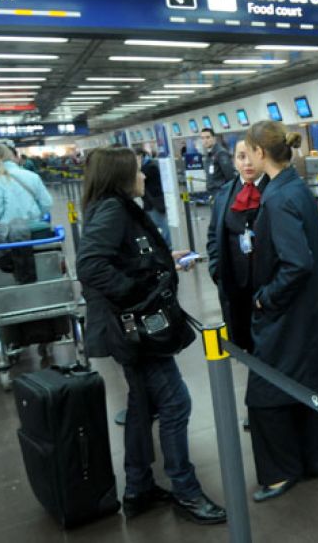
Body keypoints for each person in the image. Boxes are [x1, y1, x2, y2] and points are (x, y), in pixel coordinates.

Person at [76, 147, 227, 525]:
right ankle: (186, 491)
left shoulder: (113, 207)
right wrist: (134, 293)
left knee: (143, 406)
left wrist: (162, 261)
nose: (145, 177)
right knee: (176, 403)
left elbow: (125, 255)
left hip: (126, 328)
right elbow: (91, 265)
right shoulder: (113, 209)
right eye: (138, 172)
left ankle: (139, 487)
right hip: (133, 330)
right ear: (122, 177)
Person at [243, 121, 318, 502]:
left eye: (248, 150)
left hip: (289, 312)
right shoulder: (295, 187)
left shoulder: (277, 198)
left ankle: (281, 471)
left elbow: (296, 261)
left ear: (260, 152)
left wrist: (266, 297)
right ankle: (317, 461)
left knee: (266, 392)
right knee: (308, 385)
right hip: (312, 309)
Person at [206, 140, 270, 352]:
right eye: (241, 157)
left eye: (252, 156)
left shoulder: (275, 190)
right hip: (234, 283)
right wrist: (216, 270)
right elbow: (213, 234)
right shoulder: (225, 193)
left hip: (266, 285)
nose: (247, 163)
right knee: (242, 341)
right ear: (234, 161)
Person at [0, 144, 52, 225]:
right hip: (35, 227)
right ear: (11, 156)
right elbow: (47, 203)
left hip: (9, 231)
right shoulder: (32, 176)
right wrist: (36, 216)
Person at [135, 149, 171, 247]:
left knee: (162, 226)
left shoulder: (150, 167)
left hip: (155, 202)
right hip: (149, 203)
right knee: (146, 229)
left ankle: (166, 247)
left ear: (141, 156)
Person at [200, 128, 236, 195]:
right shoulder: (208, 155)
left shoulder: (221, 153)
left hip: (221, 192)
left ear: (214, 138)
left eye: (208, 137)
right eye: (202, 138)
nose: (205, 141)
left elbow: (230, 175)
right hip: (212, 193)